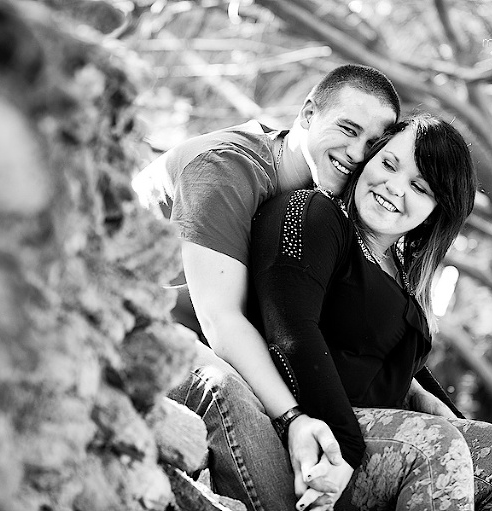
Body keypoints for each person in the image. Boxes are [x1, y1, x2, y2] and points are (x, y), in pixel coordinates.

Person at [133, 64, 436, 510]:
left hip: (188, 340)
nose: (355, 154)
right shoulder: (225, 168)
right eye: (347, 130)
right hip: (124, 328)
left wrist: (419, 393)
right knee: (230, 395)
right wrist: (293, 418)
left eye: (372, 145)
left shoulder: (315, 198)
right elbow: (222, 322)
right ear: (309, 113)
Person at [248, 114, 492, 510]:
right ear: (369, 159)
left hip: (381, 434)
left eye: (419, 187)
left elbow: (398, 362)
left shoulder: (399, 271)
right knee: (438, 448)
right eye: (388, 164)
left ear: (436, 211)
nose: (393, 187)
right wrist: (346, 444)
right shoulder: (317, 215)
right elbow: (291, 332)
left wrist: (445, 410)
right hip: (315, 431)